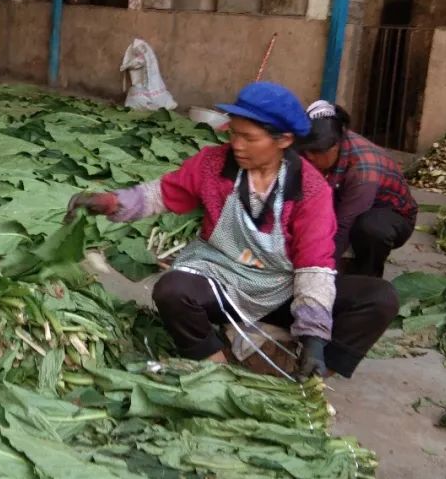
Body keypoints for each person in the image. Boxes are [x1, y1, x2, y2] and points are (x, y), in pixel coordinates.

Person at [66, 82, 398, 380]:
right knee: (172, 290)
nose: (236, 145)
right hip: (221, 279)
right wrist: (112, 202)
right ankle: (216, 364)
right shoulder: (213, 165)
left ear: (284, 140)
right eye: (233, 133)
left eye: (249, 138)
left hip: (281, 288)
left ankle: (313, 373)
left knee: (379, 298)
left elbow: (314, 266)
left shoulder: (310, 190)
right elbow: (161, 194)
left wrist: (315, 338)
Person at [298, 101, 418, 278]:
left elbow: (343, 227)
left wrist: (319, 271)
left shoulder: (363, 171)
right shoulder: (319, 145)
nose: (309, 157)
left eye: (316, 152)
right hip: (345, 198)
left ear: (336, 146)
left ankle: (367, 278)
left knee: (370, 230)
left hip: (388, 214)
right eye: (306, 150)